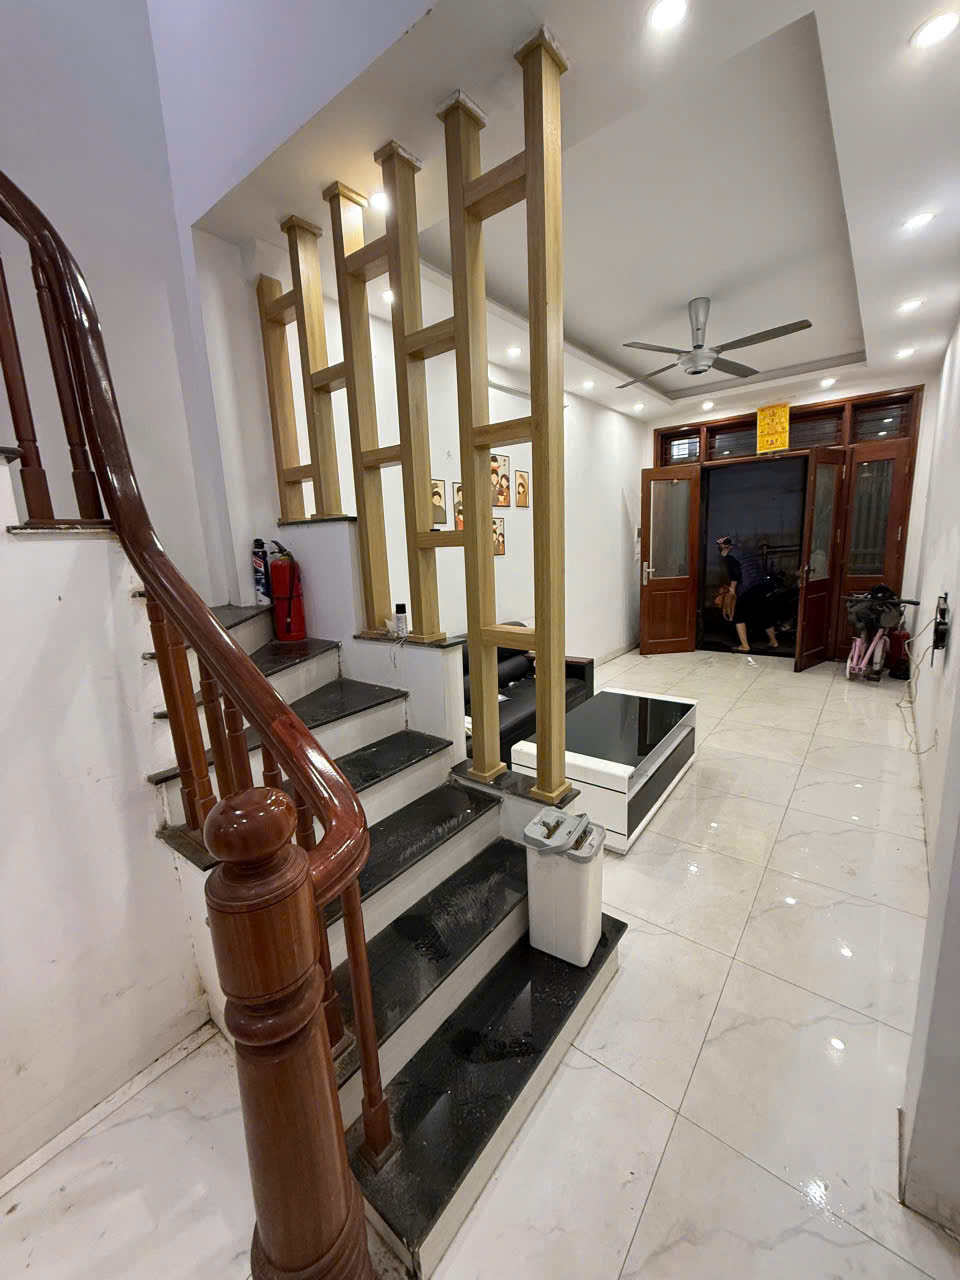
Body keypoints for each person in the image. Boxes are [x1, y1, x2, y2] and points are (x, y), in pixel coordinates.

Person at [717, 536, 778, 653]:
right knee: (763, 614)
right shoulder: (744, 552)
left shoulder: (730, 556)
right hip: (761, 585)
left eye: (720, 547)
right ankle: (773, 641)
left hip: (748, 587)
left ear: (723, 546)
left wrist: (732, 590)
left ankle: (745, 645)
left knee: (738, 615)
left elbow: (735, 574)